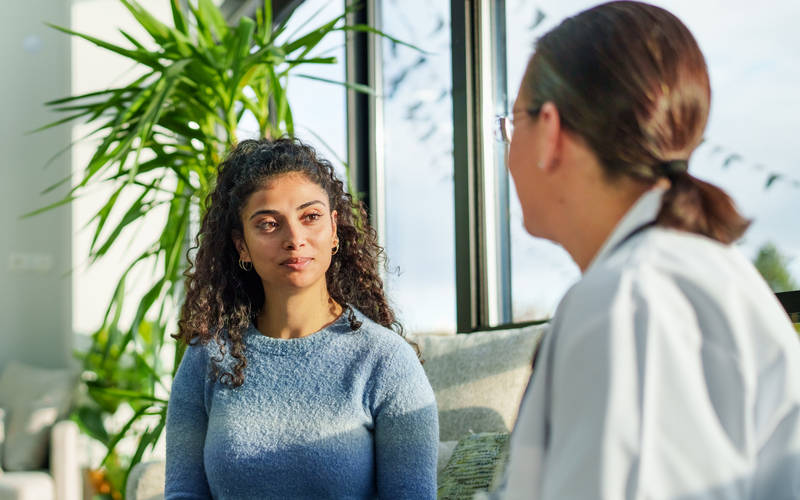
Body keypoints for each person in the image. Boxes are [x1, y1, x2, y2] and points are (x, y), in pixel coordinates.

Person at [491, 1, 800, 498]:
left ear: (549, 131)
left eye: (511, 125)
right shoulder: (686, 276)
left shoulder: (630, 302)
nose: (507, 150)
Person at [165, 137, 438, 499]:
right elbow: (184, 492)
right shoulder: (207, 357)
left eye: (310, 217)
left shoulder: (385, 361)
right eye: (268, 224)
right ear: (241, 245)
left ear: (334, 229)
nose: (295, 238)